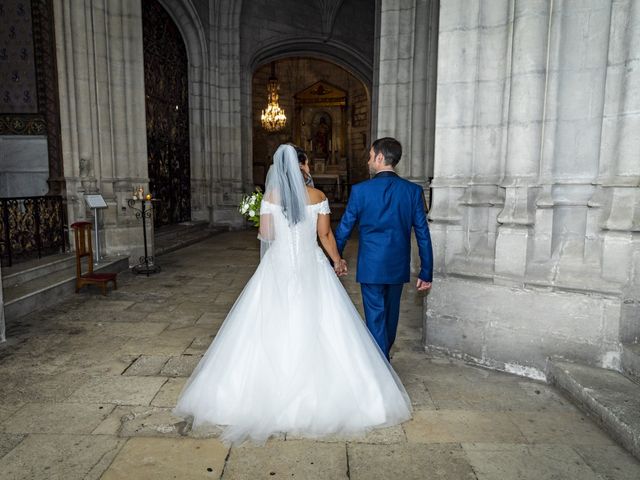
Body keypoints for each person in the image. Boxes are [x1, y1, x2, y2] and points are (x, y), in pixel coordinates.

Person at [173, 144, 411, 444]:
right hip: (311, 265)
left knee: (265, 324)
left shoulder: (270, 199)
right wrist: (337, 260)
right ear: (303, 165)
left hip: (278, 266)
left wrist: (262, 218)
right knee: (326, 323)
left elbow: (268, 236)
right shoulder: (318, 197)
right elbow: (324, 235)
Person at [334, 137, 433, 360]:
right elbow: (423, 234)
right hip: (398, 264)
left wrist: (335, 257)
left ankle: (380, 364)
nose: (368, 161)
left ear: (380, 157)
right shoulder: (412, 191)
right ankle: (383, 357)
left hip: (371, 265)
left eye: (370, 156)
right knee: (390, 316)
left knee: (375, 317)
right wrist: (426, 270)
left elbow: (344, 228)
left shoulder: (360, 191)